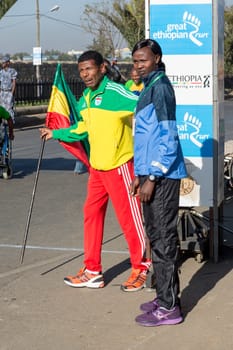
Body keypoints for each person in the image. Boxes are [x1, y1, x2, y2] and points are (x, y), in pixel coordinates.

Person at [40, 50, 151, 292]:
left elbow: (146, 104)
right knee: (91, 214)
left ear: (102, 68)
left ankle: (142, 267)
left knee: (129, 220)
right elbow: (82, 128)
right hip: (98, 169)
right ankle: (92, 271)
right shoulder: (87, 98)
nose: (85, 74)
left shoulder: (115, 92)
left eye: (89, 69)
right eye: (81, 70)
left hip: (120, 166)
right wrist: (56, 133)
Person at [130, 39, 187, 326]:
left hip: (162, 177)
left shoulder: (161, 89)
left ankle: (169, 308)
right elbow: (145, 139)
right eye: (135, 61)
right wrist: (139, 176)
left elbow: (167, 138)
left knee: (164, 241)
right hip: (149, 174)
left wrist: (151, 177)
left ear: (157, 59)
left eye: (143, 60)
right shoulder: (149, 87)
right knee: (156, 238)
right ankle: (165, 295)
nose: (137, 66)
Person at [0, 56, 17, 123]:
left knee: (9, 108)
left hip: (9, 92)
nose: (2, 64)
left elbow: (14, 82)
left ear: (7, 63)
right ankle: (3, 123)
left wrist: (12, 93)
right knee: (2, 108)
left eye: (3, 62)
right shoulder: (1, 72)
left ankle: (10, 123)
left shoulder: (12, 71)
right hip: (2, 92)